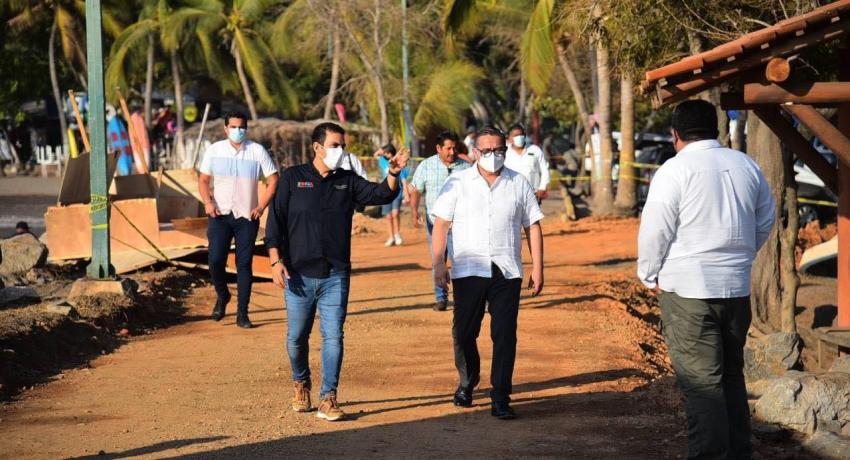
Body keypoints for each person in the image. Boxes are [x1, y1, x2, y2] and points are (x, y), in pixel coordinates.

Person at [637, 100, 775, 460]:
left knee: (702, 386)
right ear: (715, 129)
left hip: (688, 290)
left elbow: (655, 230)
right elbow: (765, 219)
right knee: (731, 376)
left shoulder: (674, 169)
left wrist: (648, 273)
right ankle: (738, 451)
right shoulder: (746, 165)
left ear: (675, 135)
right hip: (736, 288)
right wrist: (742, 255)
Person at [265, 122, 408, 422]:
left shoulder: (348, 180)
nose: (340, 151)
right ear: (317, 147)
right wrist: (276, 261)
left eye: (342, 146)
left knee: (333, 337)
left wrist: (393, 174)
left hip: (335, 274)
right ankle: (300, 382)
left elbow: (380, 194)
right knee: (296, 338)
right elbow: (275, 222)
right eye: (334, 145)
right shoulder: (293, 178)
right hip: (298, 274)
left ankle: (328, 398)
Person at [431, 125, 545, 420]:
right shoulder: (458, 183)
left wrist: (538, 267)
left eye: (498, 150)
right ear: (475, 152)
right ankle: (467, 382)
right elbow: (441, 225)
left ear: (505, 150)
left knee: (504, 334)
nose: (493, 155)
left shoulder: (518, 183)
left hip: (506, 271)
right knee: (464, 332)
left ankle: (501, 396)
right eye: (487, 150)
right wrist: (438, 265)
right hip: (468, 269)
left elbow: (532, 225)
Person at [199, 111, 279, 329]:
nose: (237, 131)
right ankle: (222, 295)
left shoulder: (256, 151)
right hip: (220, 215)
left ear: (247, 128)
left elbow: (273, 179)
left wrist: (261, 206)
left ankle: (242, 313)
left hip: (247, 216)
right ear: (225, 129)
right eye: (233, 127)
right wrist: (207, 202)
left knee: (244, 264)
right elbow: (204, 180)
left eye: (241, 127)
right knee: (215, 261)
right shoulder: (214, 150)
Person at [409, 131, 471, 311]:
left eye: (454, 148)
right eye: (448, 148)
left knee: (460, 261)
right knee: (438, 260)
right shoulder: (426, 166)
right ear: (438, 148)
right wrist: (414, 211)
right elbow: (416, 190)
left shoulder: (466, 167)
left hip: (460, 224)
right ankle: (441, 298)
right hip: (434, 223)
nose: (452, 152)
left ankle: (462, 298)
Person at [373, 144, 410, 246]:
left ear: (391, 153)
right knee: (388, 216)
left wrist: (406, 194)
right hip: (385, 192)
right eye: (384, 153)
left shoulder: (398, 163)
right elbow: (375, 154)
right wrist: (383, 148)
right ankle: (391, 236)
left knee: (395, 213)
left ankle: (397, 234)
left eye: (386, 153)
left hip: (397, 192)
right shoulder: (383, 161)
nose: (384, 154)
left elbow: (403, 180)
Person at [504, 124, 550, 203]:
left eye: (521, 135)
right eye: (515, 135)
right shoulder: (504, 152)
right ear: (510, 138)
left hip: (533, 194)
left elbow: (545, 169)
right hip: (510, 194)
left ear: (525, 135)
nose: (519, 137)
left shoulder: (535, 150)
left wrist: (542, 187)